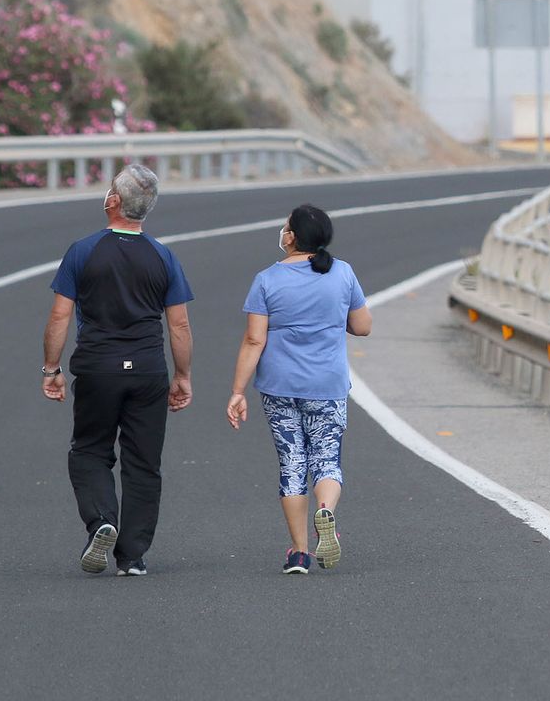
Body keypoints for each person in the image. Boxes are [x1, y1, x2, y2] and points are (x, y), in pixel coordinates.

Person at [42, 164, 194, 577]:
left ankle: (101, 521)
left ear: (113, 201)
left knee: (90, 450)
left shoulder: (83, 251)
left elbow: (60, 316)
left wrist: (51, 368)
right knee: (143, 462)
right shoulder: (164, 255)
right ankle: (133, 555)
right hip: (147, 369)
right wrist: (182, 376)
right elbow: (178, 324)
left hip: (97, 367)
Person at [226, 204, 372, 575]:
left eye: (286, 227)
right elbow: (363, 326)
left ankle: (299, 552)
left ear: (291, 237)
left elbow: (253, 340)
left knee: (292, 463)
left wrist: (238, 391)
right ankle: (326, 512)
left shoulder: (266, 280)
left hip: (279, 386)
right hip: (327, 384)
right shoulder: (342, 273)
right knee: (327, 458)